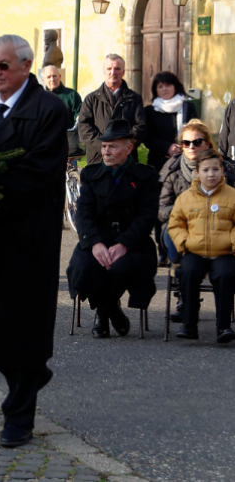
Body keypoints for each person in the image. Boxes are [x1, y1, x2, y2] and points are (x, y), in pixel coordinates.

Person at [0, 35, 68, 448]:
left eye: (3, 65)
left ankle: (18, 416)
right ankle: (30, 379)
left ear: (25, 66)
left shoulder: (48, 110)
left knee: (24, 328)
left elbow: (37, 172)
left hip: (25, 238)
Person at [67, 119, 159, 339]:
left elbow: (147, 217)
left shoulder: (146, 176)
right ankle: (112, 311)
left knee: (121, 267)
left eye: (113, 147)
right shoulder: (90, 174)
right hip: (97, 240)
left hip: (133, 243)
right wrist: (96, 244)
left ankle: (103, 313)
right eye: (104, 146)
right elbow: (84, 214)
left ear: (128, 149)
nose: (106, 152)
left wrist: (124, 245)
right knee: (86, 267)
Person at [158, 119, 235, 321]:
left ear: (208, 144)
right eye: (186, 143)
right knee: (170, 232)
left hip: (219, 232)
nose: (191, 147)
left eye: (197, 142)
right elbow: (162, 209)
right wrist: (186, 212)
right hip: (183, 231)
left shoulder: (226, 169)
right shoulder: (172, 170)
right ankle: (184, 293)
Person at [167, 148, 235, 344]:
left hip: (224, 252)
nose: (211, 174)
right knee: (188, 272)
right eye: (205, 170)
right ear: (197, 173)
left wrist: (232, 244)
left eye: (215, 169)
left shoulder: (231, 196)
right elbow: (175, 224)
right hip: (194, 250)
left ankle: (223, 326)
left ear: (222, 171)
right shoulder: (186, 198)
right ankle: (189, 325)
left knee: (225, 274)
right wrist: (185, 243)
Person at [144, 71, 199, 267]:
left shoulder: (187, 107)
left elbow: (197, 129)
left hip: (186, 165)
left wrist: (184, 146)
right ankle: (163, 251)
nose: (165, 89)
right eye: (160, 86)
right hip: (160, 165)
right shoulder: (150, 111)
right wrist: (165, 147)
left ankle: (187, 247)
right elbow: (147, 138)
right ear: (155, 90)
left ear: (176, 86)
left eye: (168, 85)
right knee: (163, 207)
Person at [78, 54, 146, 165]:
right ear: (104, 71)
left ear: (123, 72)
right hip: (98, 161)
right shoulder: (91, 99)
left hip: (126, 162)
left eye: (117, 69)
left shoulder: (134, 99)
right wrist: (105, 147)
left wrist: (123, 147)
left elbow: (141, 127)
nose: (113, 72)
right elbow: (84, 128)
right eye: (109, 69)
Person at [42, 65, 81, 130]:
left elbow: (79, 114)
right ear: (43, 80)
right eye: (49, 77)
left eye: (54, 76)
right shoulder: (39, 97)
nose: (52, 79)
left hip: (67, 137)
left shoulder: (72, 95)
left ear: (60, 76)